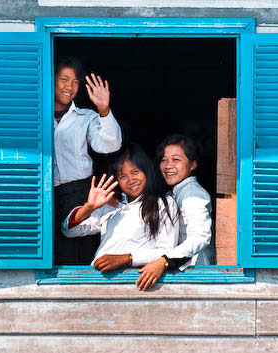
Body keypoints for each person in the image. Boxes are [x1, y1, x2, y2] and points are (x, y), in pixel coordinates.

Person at [61, 143, 179, 272]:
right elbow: (69, 231)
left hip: (134, 280)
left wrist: (126, 259)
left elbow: (167, 251)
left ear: (147, 171)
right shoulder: (112, 205)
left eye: (135, 172)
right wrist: (89, 208)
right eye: (123, 176)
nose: (131, 180)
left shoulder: (163, 203)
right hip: (98, 280)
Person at [53, 56, 122, 265]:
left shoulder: (86, 117)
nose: (70, 87)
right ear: (51, 79)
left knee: (85, 253)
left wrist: (104, 109)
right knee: (54, 254)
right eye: (64, 79)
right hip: (47, 195)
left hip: (81, 193)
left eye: (75, 82)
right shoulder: (35, 116)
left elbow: (109, 145)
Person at [136, 134, 213, 291]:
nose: (168, 165)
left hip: (197, 276)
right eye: (164, 160)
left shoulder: (192, 193)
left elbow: (200, 237)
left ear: (192, 165)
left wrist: (163, 261)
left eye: (176, 160)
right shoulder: (174, 193)